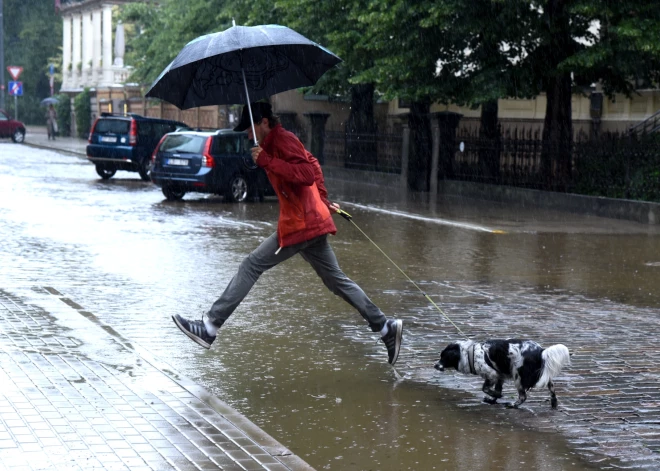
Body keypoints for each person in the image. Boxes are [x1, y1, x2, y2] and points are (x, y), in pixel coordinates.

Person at [172, 102, 403, 365]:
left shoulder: (283, 139)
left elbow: (306, 173)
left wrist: (271, 163)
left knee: (251, 265)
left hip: (301, 225)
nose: (247, 134)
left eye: (249, 128)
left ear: (263, 123)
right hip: (308, 222)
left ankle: (210, 327)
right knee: (336, 280)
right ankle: (386, 328)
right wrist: (322, 201)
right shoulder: (274, 143)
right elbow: (312, 163)